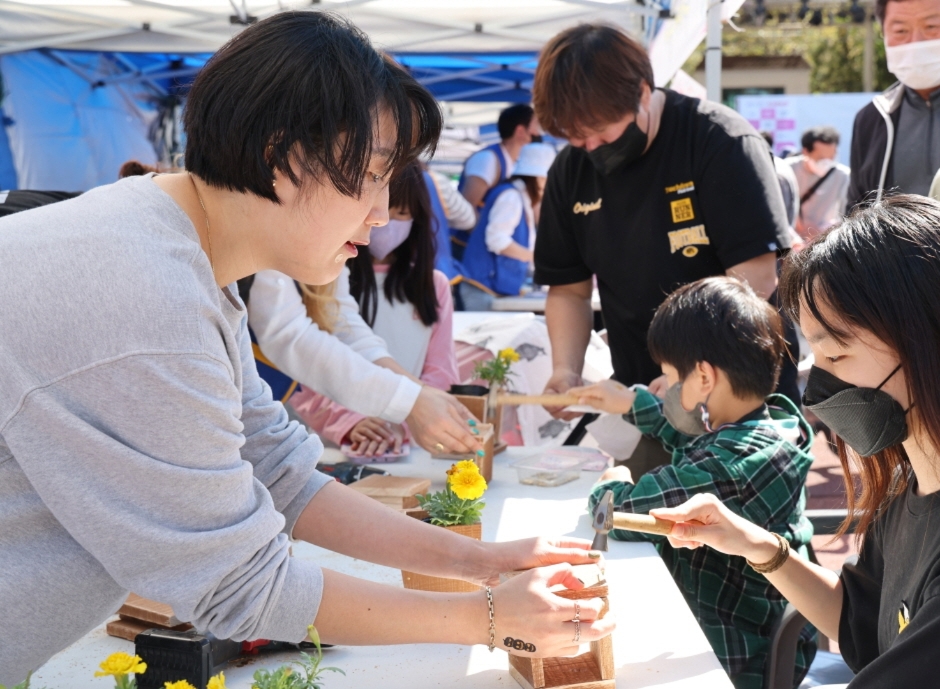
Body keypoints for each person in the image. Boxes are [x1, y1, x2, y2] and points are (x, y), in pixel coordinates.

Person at [0, 14, 615, 685]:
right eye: (377, 175)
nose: (382, 211)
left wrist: (484, 562)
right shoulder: (147, 294)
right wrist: (490, 618)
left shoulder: (181, 251)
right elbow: (242, 586)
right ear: (283, 157)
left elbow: (278, 466)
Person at [649, 194, 940, 689]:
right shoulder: (908, 480)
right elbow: (859, 622)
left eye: (836, 353)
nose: (817, 382)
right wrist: (756, 545)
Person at [531, 23, 798, 476]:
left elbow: (756, 277)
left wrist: (688, 371)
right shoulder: (569, 172)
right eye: (577, 140)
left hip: (738, 405)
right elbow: (570, 290)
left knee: (746, 536)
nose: (592, 149)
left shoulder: (719, 141)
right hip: (644, 408)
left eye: (601, 133)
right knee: (652, 531)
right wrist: (565, 369)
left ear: (641, 90)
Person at [571, 277, 815, 689]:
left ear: (703, 376)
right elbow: (692, 439)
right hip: (754, 628)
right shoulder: (770, 423)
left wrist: (611, 480)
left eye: (668, 377)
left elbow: (618, 514)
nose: (663, 388)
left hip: (732, 654)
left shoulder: (729, 463)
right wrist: (634, 404)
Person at [288, 162, 460, 456]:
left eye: (402, 214)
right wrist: (350, 422)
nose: (385, 222)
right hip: (332, 446)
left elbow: (440, 372)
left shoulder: (433, 286)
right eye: (379, 210)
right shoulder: (319, 277)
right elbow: (301, 364)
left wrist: (406, 419)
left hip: (407, 444)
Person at [848, 0, 940, 207]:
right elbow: (855, 210)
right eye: (900, 31)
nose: (916, 42)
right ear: (884, 34)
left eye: (932, 27)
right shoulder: (872, 118)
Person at [459, 142, 556, 311]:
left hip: (488, 287)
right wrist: (534, 256)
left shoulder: (516, 195)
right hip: (482, 288)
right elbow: (497, 240)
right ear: (539, 178)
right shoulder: (511, 196)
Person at [451, 104, 543, 259]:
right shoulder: (488, 160)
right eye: (535, 127)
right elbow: (466, 208)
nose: (539, 133)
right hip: (466, 251)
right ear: (520, 131)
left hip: (485, 251)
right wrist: (490, 237)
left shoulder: (514, 164)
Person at [788, 126, 850, 239]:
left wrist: (828, 229)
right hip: (791, 242)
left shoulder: (843, 175)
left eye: (832, 157)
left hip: (824, 240)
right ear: (805, 151)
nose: (827, 163)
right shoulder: (787, 170)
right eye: (821, 158)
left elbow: (846, 214)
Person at [760, 130, 803, 250]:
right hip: (783, 242)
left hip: (778, 245)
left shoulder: (771, 170)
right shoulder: (780, 164)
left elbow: (778, 215)